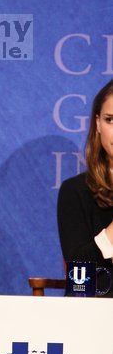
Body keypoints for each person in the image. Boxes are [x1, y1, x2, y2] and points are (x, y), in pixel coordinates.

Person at [57, 80, 113, 297]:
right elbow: (79, 274)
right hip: (94, 314)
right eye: (111, 120)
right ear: (98, 124)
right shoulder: (76, 191)